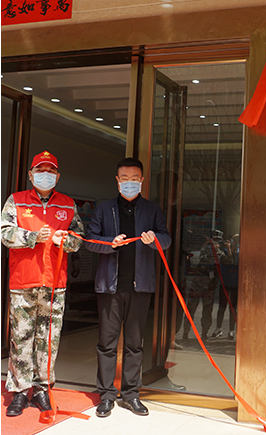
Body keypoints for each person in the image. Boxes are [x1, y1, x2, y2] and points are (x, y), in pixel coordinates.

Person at [85, 157, 171, 418]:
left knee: (135, 344)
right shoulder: (105, 209)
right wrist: (109, 243)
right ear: (117, 180)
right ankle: (106, 396)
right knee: (106, 344)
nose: (130, 183)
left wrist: (154, 239)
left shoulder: (151, 209)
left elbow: (166, 239)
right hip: (109, 287)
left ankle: (131, 394)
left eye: (135, 179)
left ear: (142, 180)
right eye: (125, 178)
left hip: (140, 286)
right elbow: (89, 240)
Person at [1, 151, 84, 416]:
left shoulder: (68, 204)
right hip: (23, 281)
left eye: (50, 171)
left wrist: (66, 240)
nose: (45, 175)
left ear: (57, 177)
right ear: (31, 174)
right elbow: (5, 233)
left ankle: (41, 389)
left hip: (54, 283)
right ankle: (19, 391)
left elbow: (79, 238)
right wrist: (33, 236)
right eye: (40, 170)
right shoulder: (16, 201)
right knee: (21, 338)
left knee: (48, 340)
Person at [211, 233, 239, 340]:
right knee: (221, 307)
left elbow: (235, 262)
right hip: (225, 283)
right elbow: (227, 261)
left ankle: (231, 330)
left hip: (235, 283)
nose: (233, 242)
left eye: (235, 240)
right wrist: (228, 249)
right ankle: (218, 328)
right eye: (233, 240)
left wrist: (232, 250)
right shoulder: (224, 252)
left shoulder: (238, 253)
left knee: (233, 308)